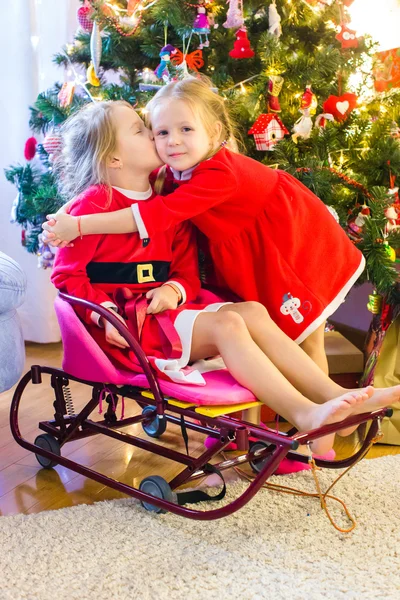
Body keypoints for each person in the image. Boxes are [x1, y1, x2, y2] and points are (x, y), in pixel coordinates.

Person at [50, 99, 399, 456]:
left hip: (163, 314)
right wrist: (104, 313)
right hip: (127, 328)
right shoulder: (92, 205)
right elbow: (67, 276)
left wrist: (174, 289)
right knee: (228, 324)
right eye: (141, 130)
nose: (156, 136)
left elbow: (185, 272)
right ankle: (305, 413)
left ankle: (336, 396)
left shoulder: (169, 197)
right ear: (114, 159)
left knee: (251, 312)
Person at [43, 78, 365, 376]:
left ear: (212, 132)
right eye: (159, 131)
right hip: (249, 253)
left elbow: (155, 213)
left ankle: (323, 432)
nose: (169, 141)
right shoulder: (170, 174)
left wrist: (79, 225)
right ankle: (278, 422)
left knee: (308, 337)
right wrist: (62, 219)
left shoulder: (218, 173)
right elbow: (94, 194)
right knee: (261, 330)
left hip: (287, 244)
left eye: (185, 129)